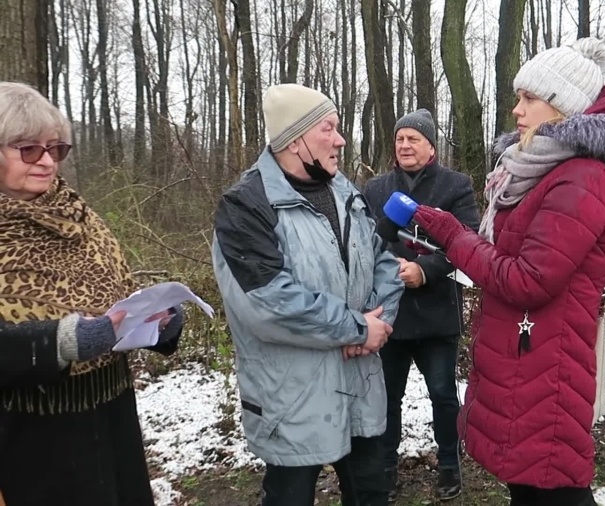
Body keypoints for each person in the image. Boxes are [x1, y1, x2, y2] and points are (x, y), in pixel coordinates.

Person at [406, 38, 605, 505]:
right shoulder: (539, 171)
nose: (517, 110)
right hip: (525, 357)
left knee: (552, 488)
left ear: (562, 107)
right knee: (530, 486)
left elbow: (527, 279)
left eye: (529, 99)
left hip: (547, 365)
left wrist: (455, 236)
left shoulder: (583, 178)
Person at [212, 83, 404, 506]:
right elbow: (267, 303)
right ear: (295, 139)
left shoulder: (347, 192)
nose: (340, 139)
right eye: (329, 128)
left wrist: (378, 324)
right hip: (294, 398)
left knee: (372, 493)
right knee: (290, 498)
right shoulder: (246, 205)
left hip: (360, 385)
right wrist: (357, 329)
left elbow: (385, 263)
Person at [0, 81, 183, 506]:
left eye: (56, 149)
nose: (47, 161)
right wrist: (65, 342)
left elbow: (119, 295)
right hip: (30, 446)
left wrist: (160, 322)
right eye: (29, 149)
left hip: (111, 422)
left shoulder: (82, 219)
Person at [363, 108, 480, 502]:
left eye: (414, 138)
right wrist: (385, 266)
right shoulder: (375, 189)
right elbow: (362, 244)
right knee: (386, 398)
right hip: (389, 316)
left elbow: (468, 243)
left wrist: (425, 270)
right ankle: (385, 468)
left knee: (444, 395)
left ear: (431, 147)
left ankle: (450, 465)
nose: (405, 145)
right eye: (399, 139)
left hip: (436, 314)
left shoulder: (456, 186)